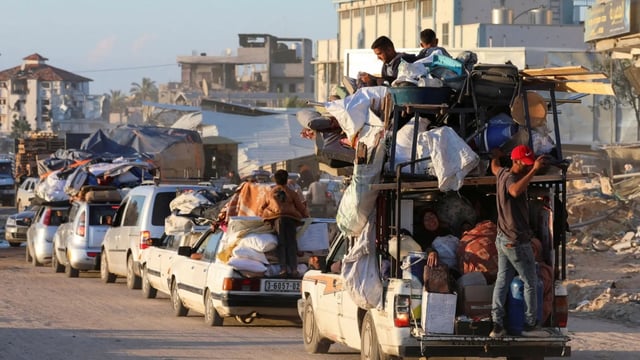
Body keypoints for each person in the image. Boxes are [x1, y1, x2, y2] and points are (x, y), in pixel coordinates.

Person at [489, 145, 549, 338]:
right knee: (530, 281)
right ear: (516, 161)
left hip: (502, 238)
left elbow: (494, 166)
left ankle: (497, 325)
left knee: (502, 280)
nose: (528, 166)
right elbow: (515, 191)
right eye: (526, 164)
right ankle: (531, 325)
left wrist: (496, 156)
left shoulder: (502, 173)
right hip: (516, 241)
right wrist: (534, 171)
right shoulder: (513, 179)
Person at [259, 169, 309, 278]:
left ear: (275, 180)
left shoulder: (270, 193)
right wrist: (307, 217)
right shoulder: (292, 193)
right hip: (291, 219)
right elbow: (301, 208)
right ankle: (294, 269)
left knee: (281, 243)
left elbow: (261, 208)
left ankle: (283, 269)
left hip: (277, 219)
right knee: (291, 244)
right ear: (286, 180)